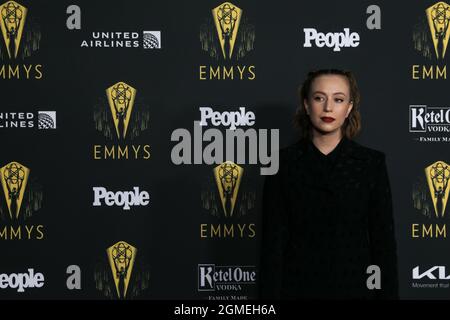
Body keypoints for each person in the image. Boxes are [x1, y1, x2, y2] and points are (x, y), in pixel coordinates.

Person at [259, 69, 398, 299]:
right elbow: (272, 247)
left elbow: (383, 245)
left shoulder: (371, 164)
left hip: (356, 292)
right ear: (306, 104)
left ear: (349, 107)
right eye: (319, 98)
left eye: (338, 99)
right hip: (297, 292)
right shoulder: (280, 163)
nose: (328, 108)